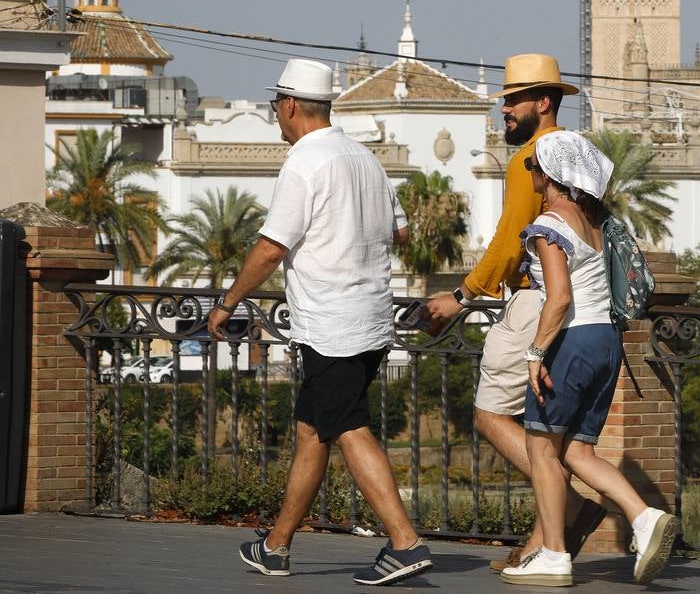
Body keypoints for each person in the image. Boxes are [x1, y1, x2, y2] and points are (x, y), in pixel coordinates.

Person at [208, 58, 432, 587]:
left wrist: (229, 301)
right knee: (314, 429)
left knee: (347, 424)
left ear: (288, 106)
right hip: (373, 318)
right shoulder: (365, 159)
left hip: (332, 322)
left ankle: (404, 542)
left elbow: (270, 248)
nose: (276, 118)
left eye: (274, 109)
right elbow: (400, 236)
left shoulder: (304, 162)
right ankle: (276, 546)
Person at [421, 54, 606, 569]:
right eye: (504, 99)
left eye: (514, 100)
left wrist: (460, 296)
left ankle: (567, 508)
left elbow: (509, 241)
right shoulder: (577, 153)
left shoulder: (535, 159)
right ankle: (545, 541)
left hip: (533, 299)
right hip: (580, 307)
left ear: (542, 103)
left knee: (489, 413)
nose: (505, 108)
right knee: (548, 431)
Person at [501, 131, 677, 587]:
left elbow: (558, 299)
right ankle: (643, 517)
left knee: (541, 447)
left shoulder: (549, 226)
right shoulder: (594, 221)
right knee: (578, 449)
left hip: (573, 342)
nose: (530, 174)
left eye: (533, 166)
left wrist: (535, 352)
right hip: (607, 342)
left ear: (550, 175)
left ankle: (554, 555)